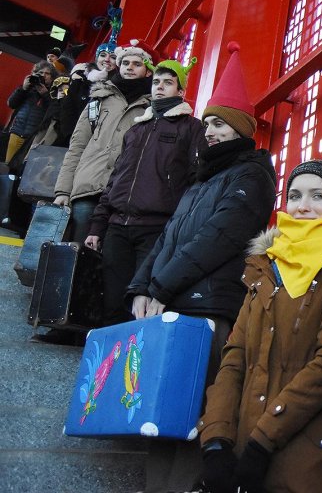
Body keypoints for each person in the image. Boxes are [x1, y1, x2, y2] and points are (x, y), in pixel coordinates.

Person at [125, 41, 277, 493]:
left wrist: (159, 287)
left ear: (241, 131)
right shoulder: (201, 181)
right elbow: (169, 237)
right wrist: (139, 287)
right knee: (161, 410)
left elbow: (217, 240)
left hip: (208, 308)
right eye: (207, 123)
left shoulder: (252, 176)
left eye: (221, 125)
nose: (210, 131)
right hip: (173, 304)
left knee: (196, 411)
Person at [198, 160, 322, 493]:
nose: (303, 206)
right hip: (242, 452)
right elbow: (235, 357)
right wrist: (216, 440)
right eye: (294, 195)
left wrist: (262, 441)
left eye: (318, 196)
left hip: (304, 456)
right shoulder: (267, 264)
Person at [83, 57, 205, 325]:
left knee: (140, 305)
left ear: (181, 90)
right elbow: (116, 177)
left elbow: (197, 180)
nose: (159, 87)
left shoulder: (191, 127)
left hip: (156, 228)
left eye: (168, 83)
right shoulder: (136, 129)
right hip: (117, 225)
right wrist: (97, 226)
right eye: (157, 82)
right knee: (112, 302)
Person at [52, 38, 157, 243]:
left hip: (125, 193)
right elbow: (77, 146)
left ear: (149, 71)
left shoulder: (153, 108)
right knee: (77, 246)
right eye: (125, 63)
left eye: (137, 64)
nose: (129, 68)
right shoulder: (98, 99)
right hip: (88, 186)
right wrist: (63, 190)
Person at [6, 60, 58, 162]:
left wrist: (45, 94)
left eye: (47, 74)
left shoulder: (53, 93)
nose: (43, 76)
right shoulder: (27, 89)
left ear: (52, 77)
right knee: (8, 166)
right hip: (17, 132)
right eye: (41, 73)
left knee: (24, 168)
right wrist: (23, 88)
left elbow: (54, 111)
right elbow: (11, 104)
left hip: (33, 138)